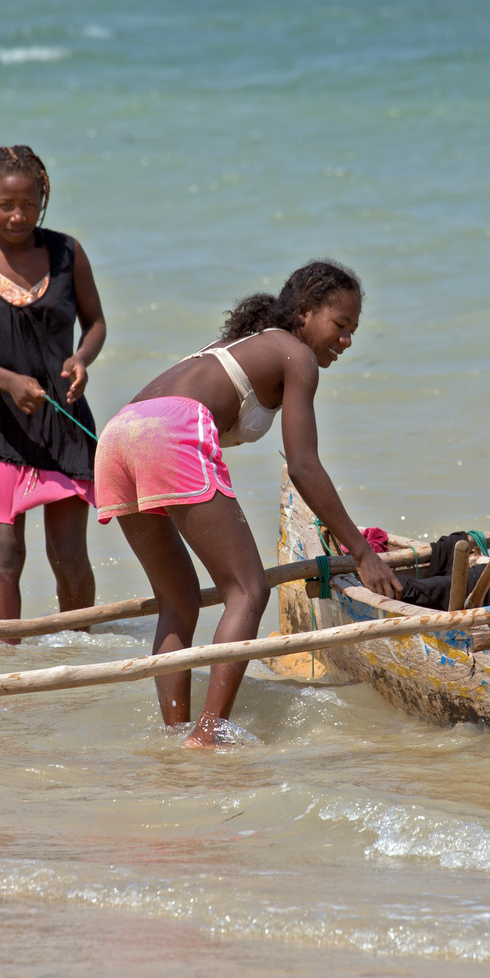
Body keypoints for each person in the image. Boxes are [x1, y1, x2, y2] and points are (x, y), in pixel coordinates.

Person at [94, 260, 401, 746]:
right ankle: (208, 735)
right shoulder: (295, 355)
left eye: (353, 331)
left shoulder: (241, 345)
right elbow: (304, 466)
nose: (346, 341)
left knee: (178, 600)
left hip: (117, 435)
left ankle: (176, 734)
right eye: (340, 326)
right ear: (305, 310)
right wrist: (361, 551)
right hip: (171, 433)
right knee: (248, 591)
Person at [0, 145, 106, 637]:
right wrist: (8, 382)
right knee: (6, 552)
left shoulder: (67, 252)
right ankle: (5, 664)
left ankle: (78, 651)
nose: (17, 216)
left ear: (43, 201)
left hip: (62, 417)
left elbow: (95, 322)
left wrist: (81, 359)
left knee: (69, 554)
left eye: (28, 205)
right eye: (4, 205)